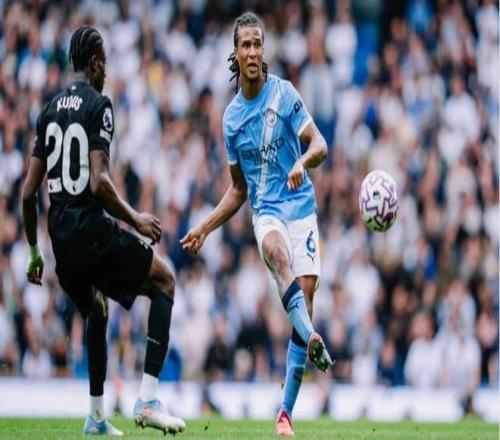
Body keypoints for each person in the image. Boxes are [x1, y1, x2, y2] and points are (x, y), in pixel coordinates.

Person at [22, 26, 185, 436]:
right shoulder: (99, 105)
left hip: (60, 242)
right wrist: (136, 218)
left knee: (97, 309)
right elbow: (98, 182)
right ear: (95, 63)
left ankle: (96, 416)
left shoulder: (48, 110)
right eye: (106, 64)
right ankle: (147, 400)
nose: (107, 72)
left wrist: (34, 251)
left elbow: (27, 193)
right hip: (90, 230)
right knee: (165, 280)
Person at [181, 12, 334, 437]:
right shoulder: (231, 119)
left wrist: (303, 163)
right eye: (245, 45)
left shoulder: (284, 94)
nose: (251, 51)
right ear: (235, 53)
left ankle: (285, 413)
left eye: (257, 44)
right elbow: (237, 190)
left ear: (264, 51)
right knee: (276, 253)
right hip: (267, 211)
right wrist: (205, 227)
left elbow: (320, 144)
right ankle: (312, 337)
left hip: (301, 208)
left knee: (305, 293)